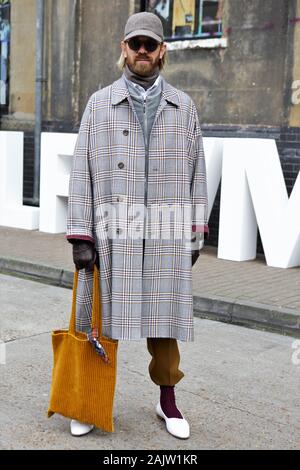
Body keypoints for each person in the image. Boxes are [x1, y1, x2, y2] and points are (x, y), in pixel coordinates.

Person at [66, 11, 209, 439]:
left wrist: (195, 229)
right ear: (123, 50)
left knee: (164, 322)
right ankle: (88, 403)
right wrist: (80, 234)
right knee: (97, 322)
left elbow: (197, 171)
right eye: (135, 44)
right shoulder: (99, 104)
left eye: (151, 44)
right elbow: (80, 172)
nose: (142, 51)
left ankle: (168, 402)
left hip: (164, 234)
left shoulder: (183, 108)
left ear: (162, 50)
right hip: (112, 233)